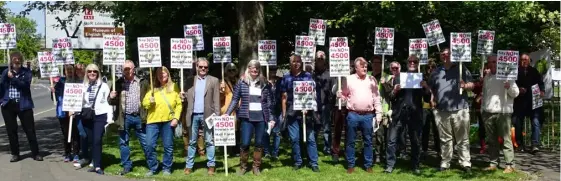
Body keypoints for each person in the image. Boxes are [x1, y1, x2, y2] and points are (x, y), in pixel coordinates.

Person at [428, 48, 475, 173]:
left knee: (463, 138)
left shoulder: (462, 69)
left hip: (460, 109)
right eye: (442, 54)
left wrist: (466, 86)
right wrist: (432, 98)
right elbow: (432, 88)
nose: (445, 56)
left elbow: (472, 85)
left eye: (447, 54)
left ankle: (465, 163)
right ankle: (445, 162)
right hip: (442, 110)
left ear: (452, 55)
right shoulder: (436, 72)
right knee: (445, 139)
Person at [224, 60, 274, 175]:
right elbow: (235, 99)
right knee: (245, 143)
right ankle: (243, 166)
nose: (255, 70)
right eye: (252, 67)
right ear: (248, 68)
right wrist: (227, 113)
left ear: (259, 69)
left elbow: (268, 103)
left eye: (257, 68)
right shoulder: (241, 82)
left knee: (259, 143)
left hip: (261, 118)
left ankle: (256, 167)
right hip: (247, 118)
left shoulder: (264, 83)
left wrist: (271, 118)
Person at [383, 56, 431, 174]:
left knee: (415, 141)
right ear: (407, 63)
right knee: (392, 140)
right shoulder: (399, 77)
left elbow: (427, 99)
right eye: (410, 61)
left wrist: (426, 87)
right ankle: (390, 165)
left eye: (415, 62)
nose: (412, 63)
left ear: (418, 63)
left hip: (415, 114)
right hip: (399, 113)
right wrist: (395, 90)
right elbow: (391, 97)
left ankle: (415, 165)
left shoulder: (422, 78)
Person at [337, 57, 382, 174]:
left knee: (368, 141)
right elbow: (344, 96)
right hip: (352, 114)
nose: (365, 68)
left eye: (366, 66)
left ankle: (368, 165)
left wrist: (379, 113)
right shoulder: (349, 79)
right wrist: (340, 95)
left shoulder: (372, 79)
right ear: (356, 68)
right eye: (362, 66)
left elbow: (376, 97)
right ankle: (351, 164)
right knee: (350, 141)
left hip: (368, 115)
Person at [109, 60, 150, 175]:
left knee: (145, 141)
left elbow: (149, 97)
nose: (126, 71)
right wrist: (112, 97)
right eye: (124, 69)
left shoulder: (142, 82)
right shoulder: (118, 83)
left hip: (139, 117)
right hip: (124, 118)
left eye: (128, 68)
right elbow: (110, 101)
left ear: (133, 69)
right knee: (123, 142)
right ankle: (127, 165)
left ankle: (151, 163)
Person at [0, 52, 43, 162]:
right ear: (11, 61)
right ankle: (15, 154)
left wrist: (13, 78)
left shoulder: (26, 72)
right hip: (8, 105)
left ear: (21, 60)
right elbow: (1, 86)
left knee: (30, 130)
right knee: (11, 130)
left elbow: (24, 86)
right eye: (14, 59)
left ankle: (36, 153)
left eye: (18, 59)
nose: (17, 61)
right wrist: (2, 101)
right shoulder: (6, 72)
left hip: (24, 105)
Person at [280, 55, 320, 172]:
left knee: (310, 138)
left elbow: (312, 93)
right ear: (290, 63)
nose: (296, 63)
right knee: (294, 138)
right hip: (292, 112)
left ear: (301, 63)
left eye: (298, 61)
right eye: (294, 61)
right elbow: (284, 97)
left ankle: (314, 163)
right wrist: (284, 114)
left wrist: (308, 106)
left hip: (306, 111)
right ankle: (298, 161)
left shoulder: (308, 76)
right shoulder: (286, 78)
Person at [182, 57, 220, 176]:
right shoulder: (189, 81)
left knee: (209, 141)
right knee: (192, 142)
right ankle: (189, 166)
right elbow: (186, 99)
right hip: (193, 115)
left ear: (208, 69)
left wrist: (217, 116)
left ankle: (211, 165)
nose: (203, 68)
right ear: (196, 67)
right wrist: (182, 97)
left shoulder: (214, 81)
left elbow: (217, 100)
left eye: (205, 67)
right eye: (200, 66)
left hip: (208, 115)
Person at [480, 55, 518, 173]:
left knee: (506, 139)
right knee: (491, 140)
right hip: (488, 112)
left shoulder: (507, 76)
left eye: (494, 61)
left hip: (503, 112)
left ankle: (509, 164)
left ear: (499, 62)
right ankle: (493, 163)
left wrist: (509, 87)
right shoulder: (487, 77)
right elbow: (485, 94)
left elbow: (515, 93)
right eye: (490, 62)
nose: (492, 64)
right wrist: (483, 109)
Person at [142, 66, 181, 176]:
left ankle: (166, 168)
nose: (161, 75)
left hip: (168, 121)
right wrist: (150, 101)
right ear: (156, 76)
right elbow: (144, 104)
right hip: (152, 121)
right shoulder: (152, 89)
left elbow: (179, 105)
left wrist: (176, 118)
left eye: (163, 73)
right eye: (159, 73)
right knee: (149, 145)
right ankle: (153, 167)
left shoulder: (174, 87)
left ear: (167, 74)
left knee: (168, 146)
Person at [81, 64, 113, 174]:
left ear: (98, 73)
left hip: (100, 115)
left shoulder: (104, 86)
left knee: (97, 139)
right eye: (89, 71)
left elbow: (108, 103)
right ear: (86, 73)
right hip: (87, 115)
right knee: (91, 140)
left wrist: (109, 118)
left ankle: (98, 166)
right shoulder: (83, 86)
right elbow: (79, 101)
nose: (92, 73)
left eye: (94, 71)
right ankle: (94, 162)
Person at [513, 53, 544, 154]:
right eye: (522, 59)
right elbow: (512, 84)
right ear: (519, 61)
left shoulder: (534, 71)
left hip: (533, 102)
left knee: (535, 122)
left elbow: (540, 83)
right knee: (517, 123)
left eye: (526, 59)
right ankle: (519, 144)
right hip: (519, 102)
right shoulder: (515, 71)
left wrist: (542, 91)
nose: (524, 61)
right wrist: (518, 89)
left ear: (529, 61)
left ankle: (535, 145)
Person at [51, 64, 81, 163]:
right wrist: (53, 91)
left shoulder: (78, 81)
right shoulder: (60, 82)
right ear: (64, 71)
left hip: (75, 110)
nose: (69, 71)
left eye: (70, 69)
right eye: (67, 70)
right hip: (63, 111)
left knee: (75, 133)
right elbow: (54, 97)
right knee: (66, 133)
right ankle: (67, 153)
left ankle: (76, 153)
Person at [312, 51, 335, 156]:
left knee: (326, 128)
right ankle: (313, 147)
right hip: (314, 105)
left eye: (322, 59)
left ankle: (327, 148)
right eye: (318, 59)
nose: (320, 61)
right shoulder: (312, 75)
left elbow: (333, 90)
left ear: (325, 60)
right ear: (315, 61)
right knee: (315, 127)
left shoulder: (330, 74)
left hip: (326, 104)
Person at [73, 63, 92, 168]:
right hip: (78, 113)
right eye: (77, 70)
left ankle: (92, 156)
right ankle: (85, 156)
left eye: (81, 70)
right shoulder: (72, 82)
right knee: (82, 134)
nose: (79, 72)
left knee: (91, 135)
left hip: (88, 112)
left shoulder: (89, 82)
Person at [421, 59, 440, 158]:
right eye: (428, 67)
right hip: (425, 105)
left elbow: (436, 91)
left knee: (437, 129)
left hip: (436, 106)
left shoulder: (438, 78)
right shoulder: (423, 78)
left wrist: (427, 87)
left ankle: (438, 150)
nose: (430, 69)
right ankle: (424, 149)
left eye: (432, 67)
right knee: (425, 129)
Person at [221, 63, 240, 156]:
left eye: (233, 70)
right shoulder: (223, 82)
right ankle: (227, 150)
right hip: (227, 108)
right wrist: (221, 90)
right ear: (226, 71)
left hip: (239, 108)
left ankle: (236, 149)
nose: (231, 72)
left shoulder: (239, 81)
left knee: (238, 130)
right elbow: (219, 97)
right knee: (228, 129)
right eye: (229, 70)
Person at [263, 65, 282, 161]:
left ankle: (275, 152)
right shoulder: (263, 82)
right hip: (267, 110)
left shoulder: (280, 81)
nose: (273, 72)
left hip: (278, 110)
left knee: (277, 133)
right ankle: (266, 152)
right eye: (271, 70)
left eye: (275, 70)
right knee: (267, 132)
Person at [473, 64, 491, 154]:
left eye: (488, 69)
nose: (486, 71)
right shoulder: (480, 82)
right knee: (482, 128)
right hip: (480, 108)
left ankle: (493, 146)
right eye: (485, 69)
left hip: (492, 108)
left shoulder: (495, 80)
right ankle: (483, 146)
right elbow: (474, 89)